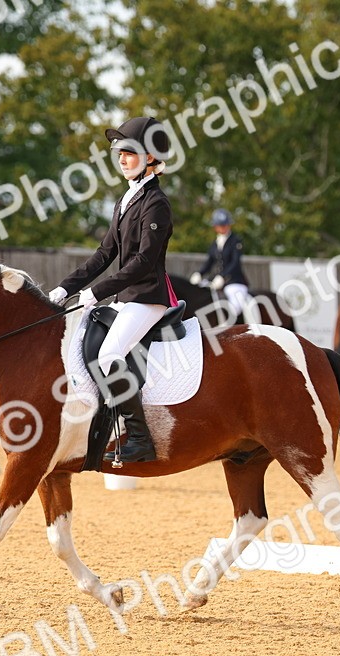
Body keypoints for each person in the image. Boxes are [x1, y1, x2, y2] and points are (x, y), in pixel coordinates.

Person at [47, 116, 175, 463]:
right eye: (119, 153)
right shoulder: (127, 199)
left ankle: (140, 439)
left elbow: (144, 262)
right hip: (127, 297)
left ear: (150, 157)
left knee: (108, 356)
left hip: (148, 297)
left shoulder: (156, 204)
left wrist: (97, 292)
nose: (121, 159)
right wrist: (65, 288)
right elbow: (105, 254)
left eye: (129, 152)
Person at [191, 209, 254, 323]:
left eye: (225, 225)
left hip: (234, 282)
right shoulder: (215, 243)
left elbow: (235, 263)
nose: (223, 228)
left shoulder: (236, 241)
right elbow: (209, 262)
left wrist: (223, 276)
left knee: (235, 307)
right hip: (216, 281)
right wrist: (199, 274)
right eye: (220, 225)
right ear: (215, 227)